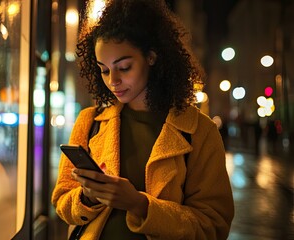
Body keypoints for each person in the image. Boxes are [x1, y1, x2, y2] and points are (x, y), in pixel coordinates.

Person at [51, 0, 234, 239]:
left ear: (151, 57)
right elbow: (62, 202)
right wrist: (87, 197)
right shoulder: (90, 121)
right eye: (104, 70)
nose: (112, 80)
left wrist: (138, 204)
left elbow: (213, 225)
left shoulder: (199, 131)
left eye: (124, 67)